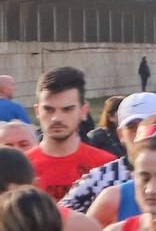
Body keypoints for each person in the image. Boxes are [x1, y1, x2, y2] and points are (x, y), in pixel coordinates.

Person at [27, 67, 115, 203]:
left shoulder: (106, 166)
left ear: (83, 111)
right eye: (49, 109)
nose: (57, 118)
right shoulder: (21, 168)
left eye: (67, 109)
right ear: (37, 111)